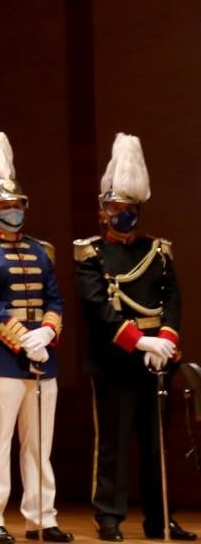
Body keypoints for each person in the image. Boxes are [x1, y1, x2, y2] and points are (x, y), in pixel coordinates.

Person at [76, 133, 194, 542]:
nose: (122, 213)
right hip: (115, 360)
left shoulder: (158, 251)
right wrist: (139, 342)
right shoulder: (90, 254)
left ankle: (160, 518)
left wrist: (164, 340)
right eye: (116, 207)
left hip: (157, 359)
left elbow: (172, 298)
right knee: (113, 443)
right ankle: (109, 516)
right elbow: (97, 307)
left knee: (156, 445)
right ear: (103, 210)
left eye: (129, 208)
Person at [0, 132, 71, 544]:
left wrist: (47, 330)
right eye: (5, 206)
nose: (13, 212)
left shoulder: (41, 251)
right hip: (0, 358)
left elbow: (55, 298)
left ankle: (42, 516)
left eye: (18, 205)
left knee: (39, 446)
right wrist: (24, 338)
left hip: (44, 358)